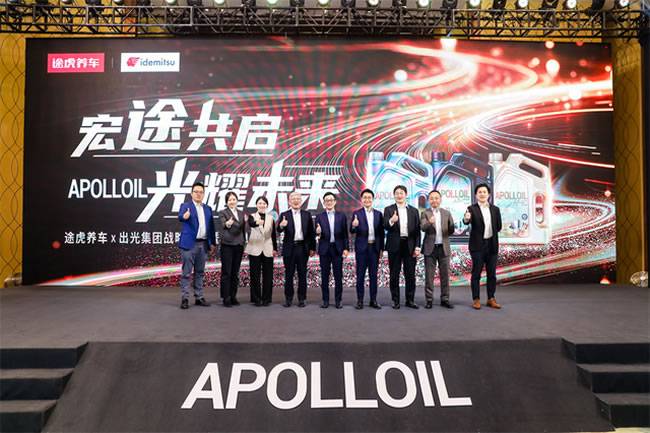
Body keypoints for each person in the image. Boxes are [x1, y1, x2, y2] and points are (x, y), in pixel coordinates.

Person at [463, 183, 503, 310]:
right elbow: (466, 221)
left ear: (488, 194)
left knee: (492, 274)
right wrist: (466, 219)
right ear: (476, 195)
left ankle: (491, 298)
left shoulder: (495, 209)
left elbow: (499, 226)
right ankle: (476, 299)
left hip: (492, 245)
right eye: (479, 192)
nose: (482, 194)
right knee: (476, 273)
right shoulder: (471, 208)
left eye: (484, 192)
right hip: (477, 246)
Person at [177, 182, 216, 309]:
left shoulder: (208, 208)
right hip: (189, 244)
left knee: (200, 272)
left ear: (204, 194)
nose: (198, 194)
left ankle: (199, 297)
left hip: (203, 244)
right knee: (186, 273)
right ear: (191, 193)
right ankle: (185, 298)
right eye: (196, 192)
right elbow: (180, 216)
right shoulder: (185, 206)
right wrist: (184, 216)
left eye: (201, 192)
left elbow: (211, 227)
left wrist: (212, 242)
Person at [383, 185, 421, 309]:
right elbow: (385, 226)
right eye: (397, 193)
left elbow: (417, 231)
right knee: (394, 274)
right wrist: (391, 221)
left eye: (401, 193)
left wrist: (417, 246)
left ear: (406, 195)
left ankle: (410, 300)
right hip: (394, 246)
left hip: (409, 246)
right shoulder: (389, 209)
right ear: (394, 195)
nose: (399, 195)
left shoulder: (414, 211)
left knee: (410, 274)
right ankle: (395, 300)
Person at [277, 191, 316, 307]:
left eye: (298, 198)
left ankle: (302, 299)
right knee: (289, 274)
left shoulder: (307, 215)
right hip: (289, 248)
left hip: (302, 248)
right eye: (293, 199)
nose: (296, 201)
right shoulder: (284, 215)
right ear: (289, 201)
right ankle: (288, 299)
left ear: (301, 201)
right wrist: (281, 225)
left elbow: (311, 233)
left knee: (302, 274)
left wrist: (312, 248)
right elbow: (278, 230)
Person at [350, 189, 384, 310]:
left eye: (369, 197)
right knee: (360, 275)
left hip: (374, 248)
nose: (367, 200)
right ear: (362, 199)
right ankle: (360, 300)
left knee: (373, 275)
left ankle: (373, 300)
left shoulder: (378, 214)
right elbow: (352, 231)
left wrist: (381, 249)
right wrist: (354, 226)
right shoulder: (356, 213)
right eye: (365, 197)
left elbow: (381, 233)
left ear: (372, 199)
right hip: (362, 249)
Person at [421, 190, 455, 309]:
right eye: (431, 198)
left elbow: (451, 230)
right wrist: (429, 222)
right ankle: (429, 300)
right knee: (429, 276)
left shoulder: (446, 213)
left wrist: (452, 226)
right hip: (430, 248)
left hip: (443, 248)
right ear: (429, 200)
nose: (434, 200)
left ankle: (445, 299)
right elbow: (422, 227)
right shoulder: (425, 213)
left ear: (440, 200)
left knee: (445, 276)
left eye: (436, 198)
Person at [315, 192, 349, 309]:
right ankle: (325, 300)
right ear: (324, 203)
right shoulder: (319, 217)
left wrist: (346, 248)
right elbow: (316, 234)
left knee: (338, 276)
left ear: (335, 202)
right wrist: (317, 232)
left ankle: (338, 300)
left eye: (331, 200)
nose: (329, 202)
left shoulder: (341, 216)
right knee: (324, 276)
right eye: (326, 200)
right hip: (324, 249)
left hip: (337, 249)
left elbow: (345, 234)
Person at [245, 196, 277, 307]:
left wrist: (275, 249)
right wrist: (257, 222)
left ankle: (267, 298)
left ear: (267, 205)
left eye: (264, 203)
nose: (262, 205)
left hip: (268, 248)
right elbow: (251, 224)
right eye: (260, 203)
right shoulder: (252, 216)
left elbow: (273, 234)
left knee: (268, 275)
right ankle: (256, 298)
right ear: (256, 205)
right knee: (255, 275)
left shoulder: (271, 218)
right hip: (255, 248)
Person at [217, 191, 246, 307]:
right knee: (226, 272)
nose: (232, 201)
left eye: (234, 199)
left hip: (239, 245)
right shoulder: (223, 212)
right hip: (227, 245)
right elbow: (223, 224)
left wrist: (244, 242)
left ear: (237, 201)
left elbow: (244, 229)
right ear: (226, 202)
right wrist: (228, 224)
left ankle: (233, 296)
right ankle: (226, 297)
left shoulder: (241, 213)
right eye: (229, 200)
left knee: (235, 272)